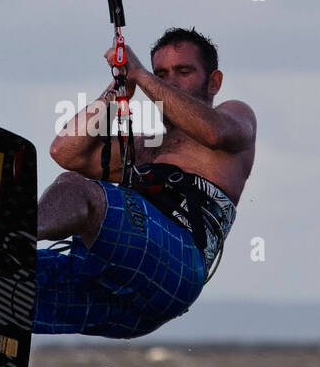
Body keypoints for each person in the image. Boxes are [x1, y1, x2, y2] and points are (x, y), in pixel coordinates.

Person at [35, 27, 256, 338]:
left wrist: (140, 74)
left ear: (214, 81)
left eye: (183, 71)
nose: (170, 82)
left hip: (178, 265)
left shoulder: (233, 116)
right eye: (161, 74)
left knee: (77, 189)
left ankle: (11, 237)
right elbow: (66, 152)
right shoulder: (144, 147)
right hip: (124, 292)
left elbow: (213, 132)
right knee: (12, 280)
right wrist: (118, 88)